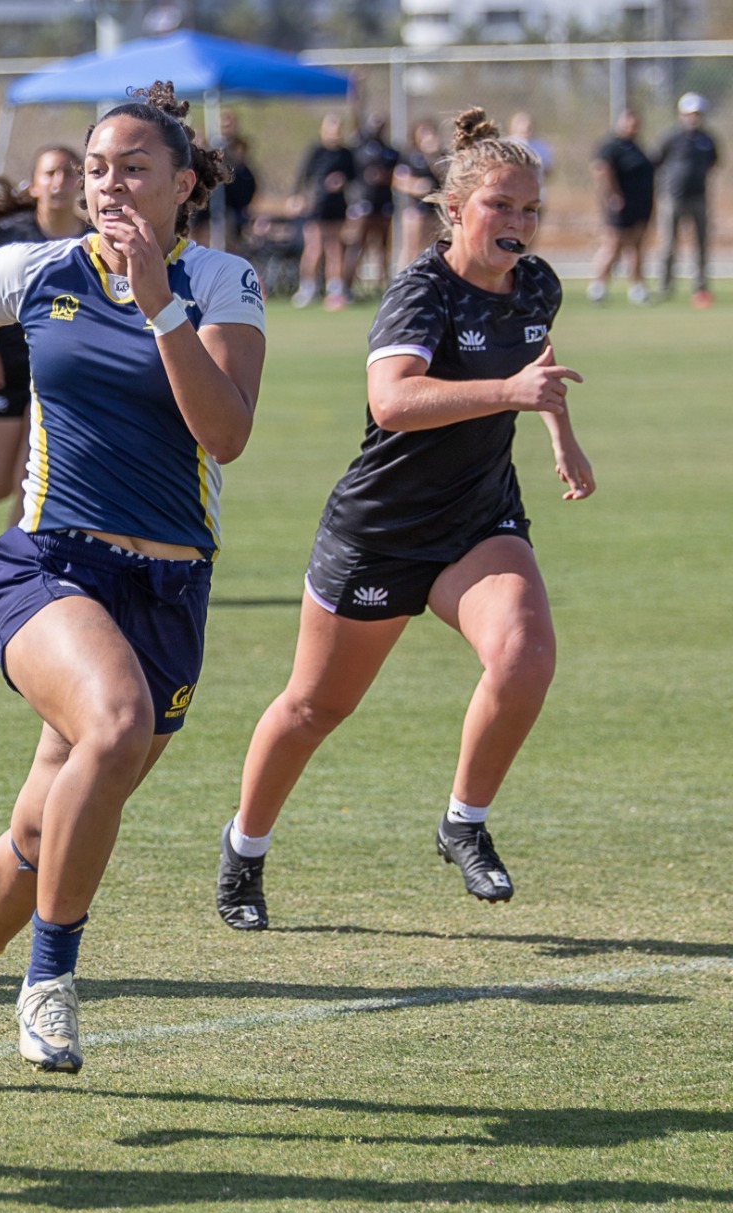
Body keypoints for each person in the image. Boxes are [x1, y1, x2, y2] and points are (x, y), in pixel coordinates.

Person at [0, 83, 266, 1090]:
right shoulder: (32, 269)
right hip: (49, 564)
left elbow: (223, 431)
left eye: (133, 169)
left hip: (169, 593)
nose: (108, 186)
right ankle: (49, 978)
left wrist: (158, 306)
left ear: (182, 185)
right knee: (110, 719)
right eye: (96, 168)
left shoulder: (222, 283)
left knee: (37, 828)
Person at [214, 108, 595, 931]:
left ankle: (463, 821)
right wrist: (510, 396)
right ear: (455, 210)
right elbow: (391, 403)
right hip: (381, 529)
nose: (520, 224)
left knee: (525, 655)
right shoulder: (419, 291)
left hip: (479, 518)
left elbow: (537, 362)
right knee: (315, 708)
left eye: (531, 209)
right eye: (502, 206)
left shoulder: (536, 281)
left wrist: (561, 436)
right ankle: (244, 849)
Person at [0, 146, 86, 531]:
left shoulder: (95, 239)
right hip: (6, 369)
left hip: (57, 378)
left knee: (32, 480)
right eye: (50, 173)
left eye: (68, 172)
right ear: (34, 185)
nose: (59, 181)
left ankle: (18, 563)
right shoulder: (11, 236)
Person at [656, 93, 718, 308]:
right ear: (682, 114)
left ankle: (700, 286)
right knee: (668, 245)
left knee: (701, 244)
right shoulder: (671, 137)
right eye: (690, 114)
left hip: (698, 197)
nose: (693, 118)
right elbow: (657, 160)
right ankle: (665, 286)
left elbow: (713, 162)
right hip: (673, 197)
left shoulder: (707, 139)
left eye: (697, 114)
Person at [589, 108, 657, 305]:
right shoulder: (611, 147)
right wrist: (613, 194)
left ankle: (637, 288)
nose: (632, 127)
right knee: (613, 245)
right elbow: (601, 170)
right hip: (620, 206)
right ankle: (598, 287)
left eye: (635, 123)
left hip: (640, 205)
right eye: (628, 122)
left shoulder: (637, 147)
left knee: (636, 246)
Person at [293, 113, 357, 310]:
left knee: (334, 248)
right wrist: (298, 197)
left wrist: (341, 181)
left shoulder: (346, 154)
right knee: (314, 248)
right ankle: (307, 287)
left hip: (337, 206)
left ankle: (335, 288)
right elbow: (303, 176)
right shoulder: (316, 151)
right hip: (317, 205)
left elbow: (354, 176)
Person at [351, 114, 401, 290]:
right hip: (365, 204)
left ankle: (384, 284)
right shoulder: (361, 148)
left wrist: (386, 177)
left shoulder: (390, 151)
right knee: (358, 245)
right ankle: (349, 284)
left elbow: (398, 174)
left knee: (384, 248)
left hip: (384, 205)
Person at [396, 120, 445, 263]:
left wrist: (433, 155)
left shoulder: (441, 156)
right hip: (416, 209)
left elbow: (444, 176)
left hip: (435, 210)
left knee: (433, 247)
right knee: (412, 246)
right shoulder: (410, 156)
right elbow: (399, 179)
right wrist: (415, 185)